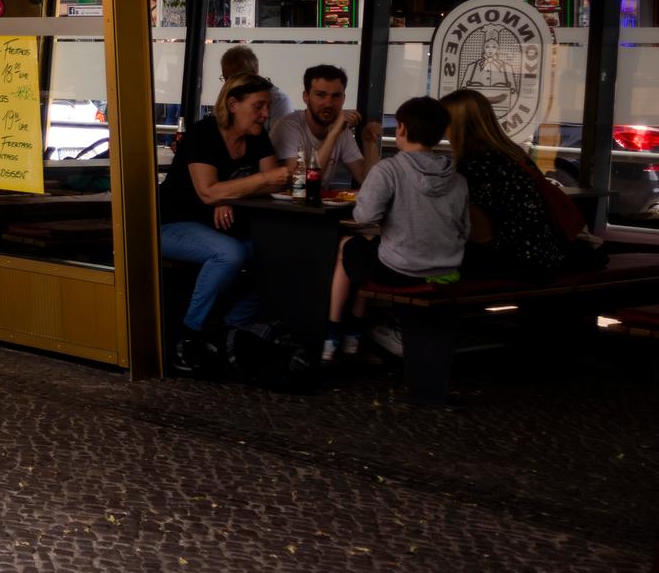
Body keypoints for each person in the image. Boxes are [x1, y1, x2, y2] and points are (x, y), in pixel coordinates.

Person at [156, 74, 292, 373]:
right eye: (258, 106)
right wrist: (229, 192)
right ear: (232, 104)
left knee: (280, 256)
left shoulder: (257, 137)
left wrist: (228, 193)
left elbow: (275, 186)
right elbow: (209, 191)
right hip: (171, 224)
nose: (265, 114)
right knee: (230, 254)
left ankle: (232, 327)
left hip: (222, 227)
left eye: (267, 106)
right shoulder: (203, 134)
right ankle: (187, 339)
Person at [327, 96, 470, 363]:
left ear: (401, 129)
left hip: (401, 272)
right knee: (369, 249)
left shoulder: (389, 169)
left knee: (349, 246)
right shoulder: (457, 178)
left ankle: (334, 333)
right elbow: (464, 229)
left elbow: (364, 216)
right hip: (447, 272)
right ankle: (354, 334)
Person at [444, 88, 583, 283]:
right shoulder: (513, 155)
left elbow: (480, 232)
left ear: (457, 125)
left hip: (511, 263)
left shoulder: (472, 166)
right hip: (547, 256)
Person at [267, 65, 375, 194]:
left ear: (344, 98)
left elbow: (369, 182)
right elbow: (301, 186)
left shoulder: (340, 128)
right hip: (286, 210)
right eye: (320, 95)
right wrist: (333, 134)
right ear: (306, 97)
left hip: (318, 208)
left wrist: (370, 143)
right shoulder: (289, 126)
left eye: (336, 96)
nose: (328, 103)